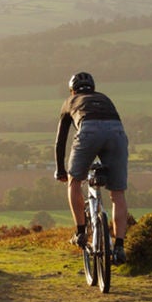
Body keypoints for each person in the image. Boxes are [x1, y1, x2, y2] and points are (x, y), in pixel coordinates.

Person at [54, 70, 131, 262]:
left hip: (88, 131)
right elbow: (112, 123)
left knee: (74, 181)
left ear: (72, 91)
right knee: (118, 193)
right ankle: (120, 246)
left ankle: (80, 232)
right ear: (93, 89)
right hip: (116, 133)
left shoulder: (69, 102)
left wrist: (61, 170)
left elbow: (60, 141)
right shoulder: (105, 98)